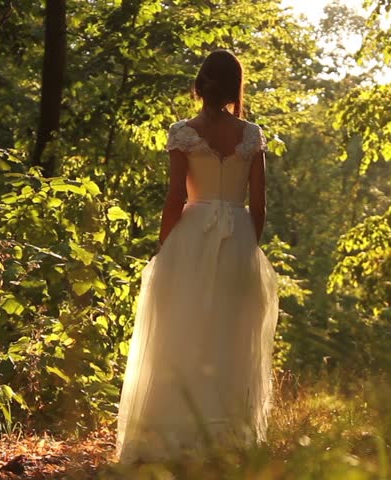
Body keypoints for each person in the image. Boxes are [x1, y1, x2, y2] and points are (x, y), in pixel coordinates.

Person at [115, 49, 278, 464]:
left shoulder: (182, 132)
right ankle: (226, 440)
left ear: (199, 84)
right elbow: (259, 205)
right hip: (239, 236)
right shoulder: (251, 134)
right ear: (234, 88)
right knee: (231, 334)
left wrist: (164, 246)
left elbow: (175, 197)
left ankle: (170, 436)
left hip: (191, 233)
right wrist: (247, 245)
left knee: (181, 330)